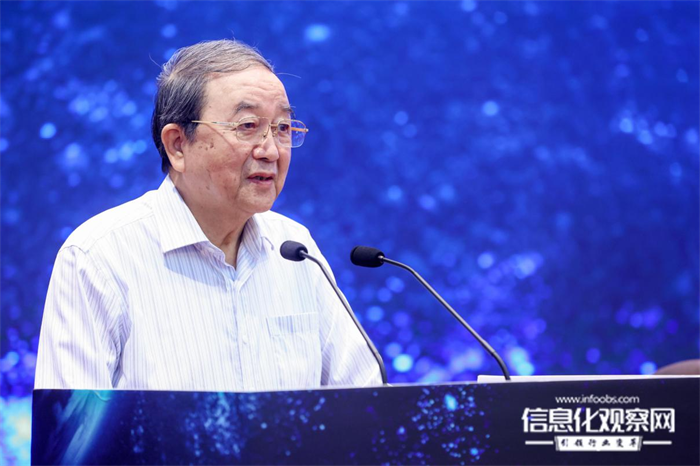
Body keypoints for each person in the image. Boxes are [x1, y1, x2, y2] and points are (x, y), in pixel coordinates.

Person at [34, 39, 382, 392]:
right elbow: (71, 423)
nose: (271, 151)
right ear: (177, 145)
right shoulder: (99, 257)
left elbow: (367, 403)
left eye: (282, 128)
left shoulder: (295, 250)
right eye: (248, 126)